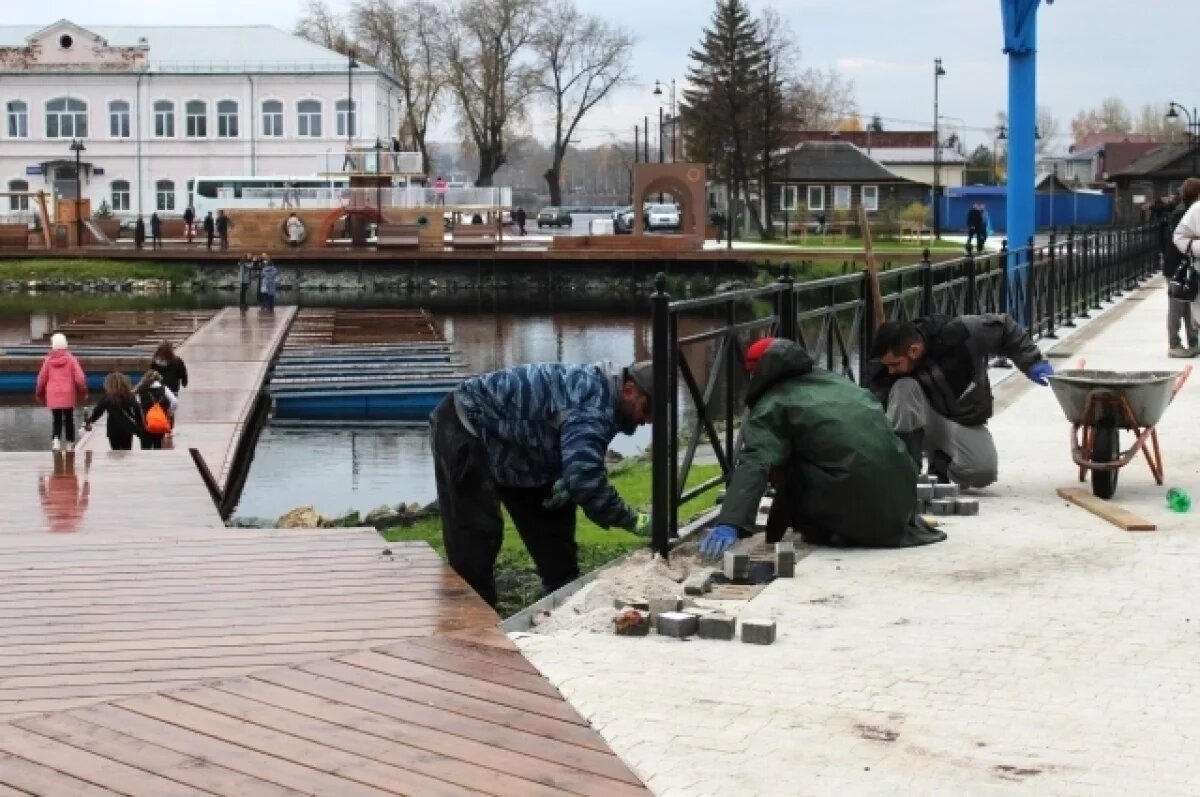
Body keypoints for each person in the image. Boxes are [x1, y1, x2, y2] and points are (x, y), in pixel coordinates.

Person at [429, 360, 655, 607]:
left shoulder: (607, 400)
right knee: (476, 533)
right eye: (647, 409)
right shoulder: (591, 405)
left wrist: (569, 477)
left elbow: (576, 457)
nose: (648, 420)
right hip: (467, 424)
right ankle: (473, 618)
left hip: (523, 443)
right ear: (629, 390)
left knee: (552, 521)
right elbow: (586, 480)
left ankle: (559, 601)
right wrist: (631, 520)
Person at [698, 338, 945, 560]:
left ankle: (835, 531)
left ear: (759, 374)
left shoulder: (774, 404)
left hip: (861, 516)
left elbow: (756, 461)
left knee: (785, 459)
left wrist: (731, 522)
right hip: (902, 510)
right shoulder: (840, 383)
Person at [868, 314, 1052, 488]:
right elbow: (873, 406)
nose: (890, 370)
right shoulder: (886, 367)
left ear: (914, 351)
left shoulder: (961, 333)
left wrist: (1032, 362)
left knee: (983, 472)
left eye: (895, 364)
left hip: (961, 421)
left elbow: (1004, 328)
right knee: (903, 387)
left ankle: (942, 462)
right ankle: (906, 476)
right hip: (918, 424)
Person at [35, 333, 87, 453]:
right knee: (69, 418)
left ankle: (56, 441)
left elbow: (41, 378)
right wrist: (83, 391)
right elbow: (80, 378)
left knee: (56, 419)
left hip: (53, 393)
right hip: (68, 393)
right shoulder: (71, 359)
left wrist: (39, 392)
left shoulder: (48, 360)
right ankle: (69, 443)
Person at [1170, 177, 1200, 355]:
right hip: (1197, 270)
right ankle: (1175, 342)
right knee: (1179, 307)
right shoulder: (1196, 209)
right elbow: (1179, 237)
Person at [84, 372, 144, 451]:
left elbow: (98, 411)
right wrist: (140, 426)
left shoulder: (107, 398)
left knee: (115, 452)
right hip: (127, 429)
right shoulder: (129, 396)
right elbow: (137, 410)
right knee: (127, 452)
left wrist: (90, 420)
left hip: (113, 430)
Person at [134, 370, 178, 450]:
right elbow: (174, 401)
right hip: (159, 422)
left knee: (145, 448)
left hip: (146, 423)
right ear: (159, 379)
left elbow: (137, 405)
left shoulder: (140, 390)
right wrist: (169, 413)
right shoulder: (164, 389)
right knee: (158, 445)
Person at [149, 341, 188, 429]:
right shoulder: (177, 360)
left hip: (159, 388)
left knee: (161, 407)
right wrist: (184, 382)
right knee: (171, 408)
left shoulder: (155, 361)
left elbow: (151, 373)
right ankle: (169, 429)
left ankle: (160, 424)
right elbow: (183, 373)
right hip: (173, 387)